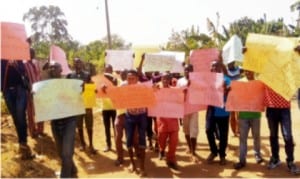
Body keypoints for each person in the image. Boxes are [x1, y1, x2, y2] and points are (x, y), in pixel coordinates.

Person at [48, 62, 78, 178]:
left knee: (66, 153)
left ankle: (65, 176)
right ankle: (73, 169)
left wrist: (80, 90)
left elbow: (76, 95)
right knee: (61, 152)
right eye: (51, 67)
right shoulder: (45, 86)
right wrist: (36, 95)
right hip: (55, 122)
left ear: (61, 70)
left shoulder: (68, 83)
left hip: (69, 121)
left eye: (55, 67)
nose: (52, 69)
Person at [1, 59, 34, 160]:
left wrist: (15, 64)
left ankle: (23, 142)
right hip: (7, 91)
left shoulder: (19, 58)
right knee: (15, 117)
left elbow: (23, 72)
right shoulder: (1, 60)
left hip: (20, 89)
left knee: (20, 116)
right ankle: (21, 142)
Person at [264, 85, 300, 174]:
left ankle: (290, 161)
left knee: (287, 136)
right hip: (271, 108)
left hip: (284, 109)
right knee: (273, 135)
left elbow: (293, 89)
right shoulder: (266, 75)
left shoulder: (287, 75)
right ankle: (275, 158)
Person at [233, 70, 263, 170]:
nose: (248, 73)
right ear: (244, 72)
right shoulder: (240, 82)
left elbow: (262, 96)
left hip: (256, 115)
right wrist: (237, 115)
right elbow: (236, 98)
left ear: (254, 71)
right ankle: (242, 160)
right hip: (243, 116)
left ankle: (257, 155)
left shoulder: (259, 83)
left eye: (250, 71)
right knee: (243, 139)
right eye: (246, 71)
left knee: (256, 137)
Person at [67, 58, 96, 154]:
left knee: (89, 125)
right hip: (76, 104)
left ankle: (91, 145)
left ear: (82, 63)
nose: (77, 64)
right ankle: (83, 144)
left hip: (87, 103)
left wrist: (91, 87)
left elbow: (92, 86)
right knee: (79, 125)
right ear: (73, 64)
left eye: (79, 62)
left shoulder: (87, 75)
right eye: (75, 62)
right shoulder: (70, 76)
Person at [206, 60, 231, 165]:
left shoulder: (226, 79)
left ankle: (222, 155)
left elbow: (230, 94)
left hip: (223, 111)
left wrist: (226, 89)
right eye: (212, 66)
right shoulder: (207, 80)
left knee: (223, 135)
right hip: (211, 109)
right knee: (208, 130)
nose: (214, 68)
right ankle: (214, 151)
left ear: (220, 67)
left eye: (216, 66)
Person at [124, 69, 148, 177]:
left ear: (137, 79)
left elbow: (152, 93)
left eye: (132, 79)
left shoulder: (142, 87)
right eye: (128, 79)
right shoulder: (124, 86)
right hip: (129, 115)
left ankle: (142, 166)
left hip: (141, 115)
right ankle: (133, 164)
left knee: (142, 138)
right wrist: (105, 89)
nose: (130, 81)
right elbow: (112, 92)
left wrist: (155, 89)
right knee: (129, 139)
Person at [156, 73, 180, 170]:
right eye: (163, 79)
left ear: (170, 79)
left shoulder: (175, 91)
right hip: (162, 120)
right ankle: (161, 150)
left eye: (167, 79)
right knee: (161, 139)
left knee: (174, 141)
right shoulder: (157, 90)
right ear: (161, 79)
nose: (165, 80)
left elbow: (180, 100)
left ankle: (171, 159)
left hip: (173, 120)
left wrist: (184, 93)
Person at [177, 64, 199, 163]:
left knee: (193, 131)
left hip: (194, 109)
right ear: (183, 71)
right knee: (186, 131)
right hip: (183, 110)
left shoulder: (198, 81)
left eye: (190, 70)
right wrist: (185, 89)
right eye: (186, 70)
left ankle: (193, 152)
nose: (188, 71)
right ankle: (190, 147)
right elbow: (177, 95)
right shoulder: (180, 81)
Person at [24, 47, 44, 138]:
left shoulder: (36, 63)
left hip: (39, 91)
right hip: (29, 92)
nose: (32, 54)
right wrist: (29, 89)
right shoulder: (24, 64)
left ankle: (40, 130)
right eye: (30, 53)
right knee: (30, 113)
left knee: (40, 111)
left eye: (33, 53)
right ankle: (33, 132)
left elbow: (39, 75)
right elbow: (24, 79)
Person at [101, 64, 118, 152]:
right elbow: (98, 91)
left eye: (109, 69)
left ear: (112, 70)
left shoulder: (115, 79)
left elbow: (116, 88)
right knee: (107, 127)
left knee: (115, 128)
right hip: (105, 109)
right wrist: (102, 88)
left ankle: (117, 144)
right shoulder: (101, 80)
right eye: (106, 70)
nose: (108, 71)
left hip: (114, 108)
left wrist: (112, 82)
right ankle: (108, 144)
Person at [227, 61, 242, 137]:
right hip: (229, 95)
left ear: (233, 62)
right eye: (228, 63)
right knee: (232, 115)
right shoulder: (225, 71)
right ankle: (234, 131)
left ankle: (238, 130)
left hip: (239, 94)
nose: (229, 64)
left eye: (231, 62)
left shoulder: (239, 69)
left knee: (239, 114)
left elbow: (248, 68)